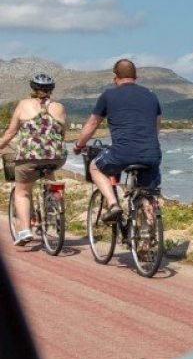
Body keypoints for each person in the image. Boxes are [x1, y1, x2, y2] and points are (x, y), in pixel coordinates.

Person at [73, 59, 163, 223]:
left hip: (122, 153)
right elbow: (156, 128)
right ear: (136, 76)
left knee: (95, 167)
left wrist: (79, 145)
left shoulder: (108, 95)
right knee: (146, 193)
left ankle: (113, 204)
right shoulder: (151, 96)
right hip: (151, 154)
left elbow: (92, 123)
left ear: (115, 77)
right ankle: (149, 234)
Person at [0, 73, 68, 245]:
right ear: (51, 90)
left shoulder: (24, 105)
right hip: (56, 156)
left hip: (29, 157)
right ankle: (53, 200)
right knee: (49, 171)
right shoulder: (59, 107)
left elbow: (10, 133)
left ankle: (24, 231)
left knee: (22, 192)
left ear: (32, 88)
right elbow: (62, 133)